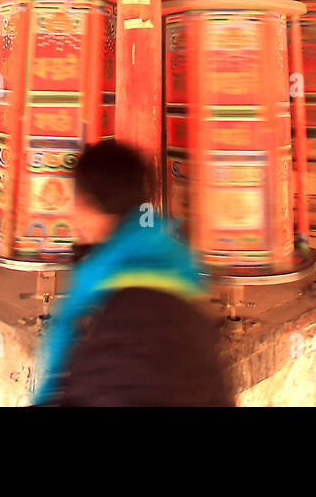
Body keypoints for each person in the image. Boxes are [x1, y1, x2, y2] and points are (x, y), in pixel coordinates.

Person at [32, 140, 231, 406]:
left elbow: (63, 344)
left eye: (77, 201)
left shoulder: (97, 276)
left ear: (89, 203)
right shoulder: (179, 253)